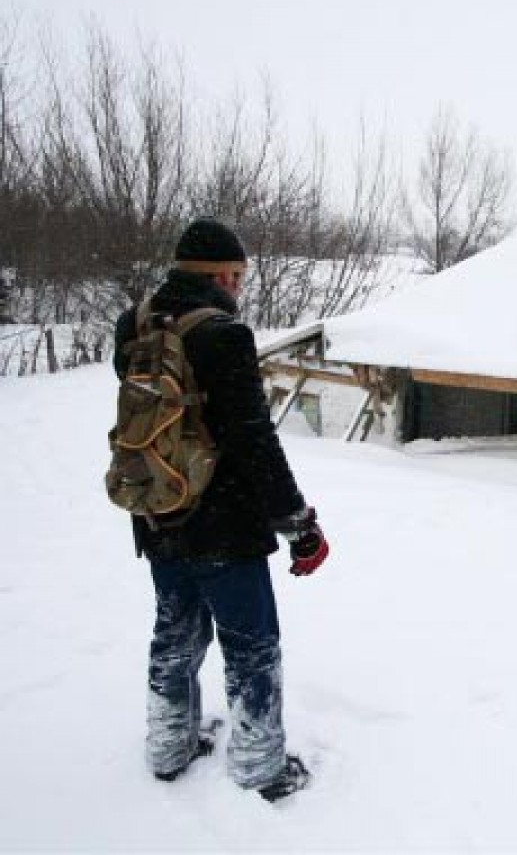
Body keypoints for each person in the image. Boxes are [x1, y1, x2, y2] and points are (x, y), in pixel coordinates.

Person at [113, 217, 329, 802]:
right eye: (239, 276)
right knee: (251, 644)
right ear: (222, 275)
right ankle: (261, 768)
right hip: (224, 523)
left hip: (157, 508)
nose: (240, 287)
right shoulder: (223, 334)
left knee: (175, 633)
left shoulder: (133, 325)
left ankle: (169, 745)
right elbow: (254, 439)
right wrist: (298, 524)